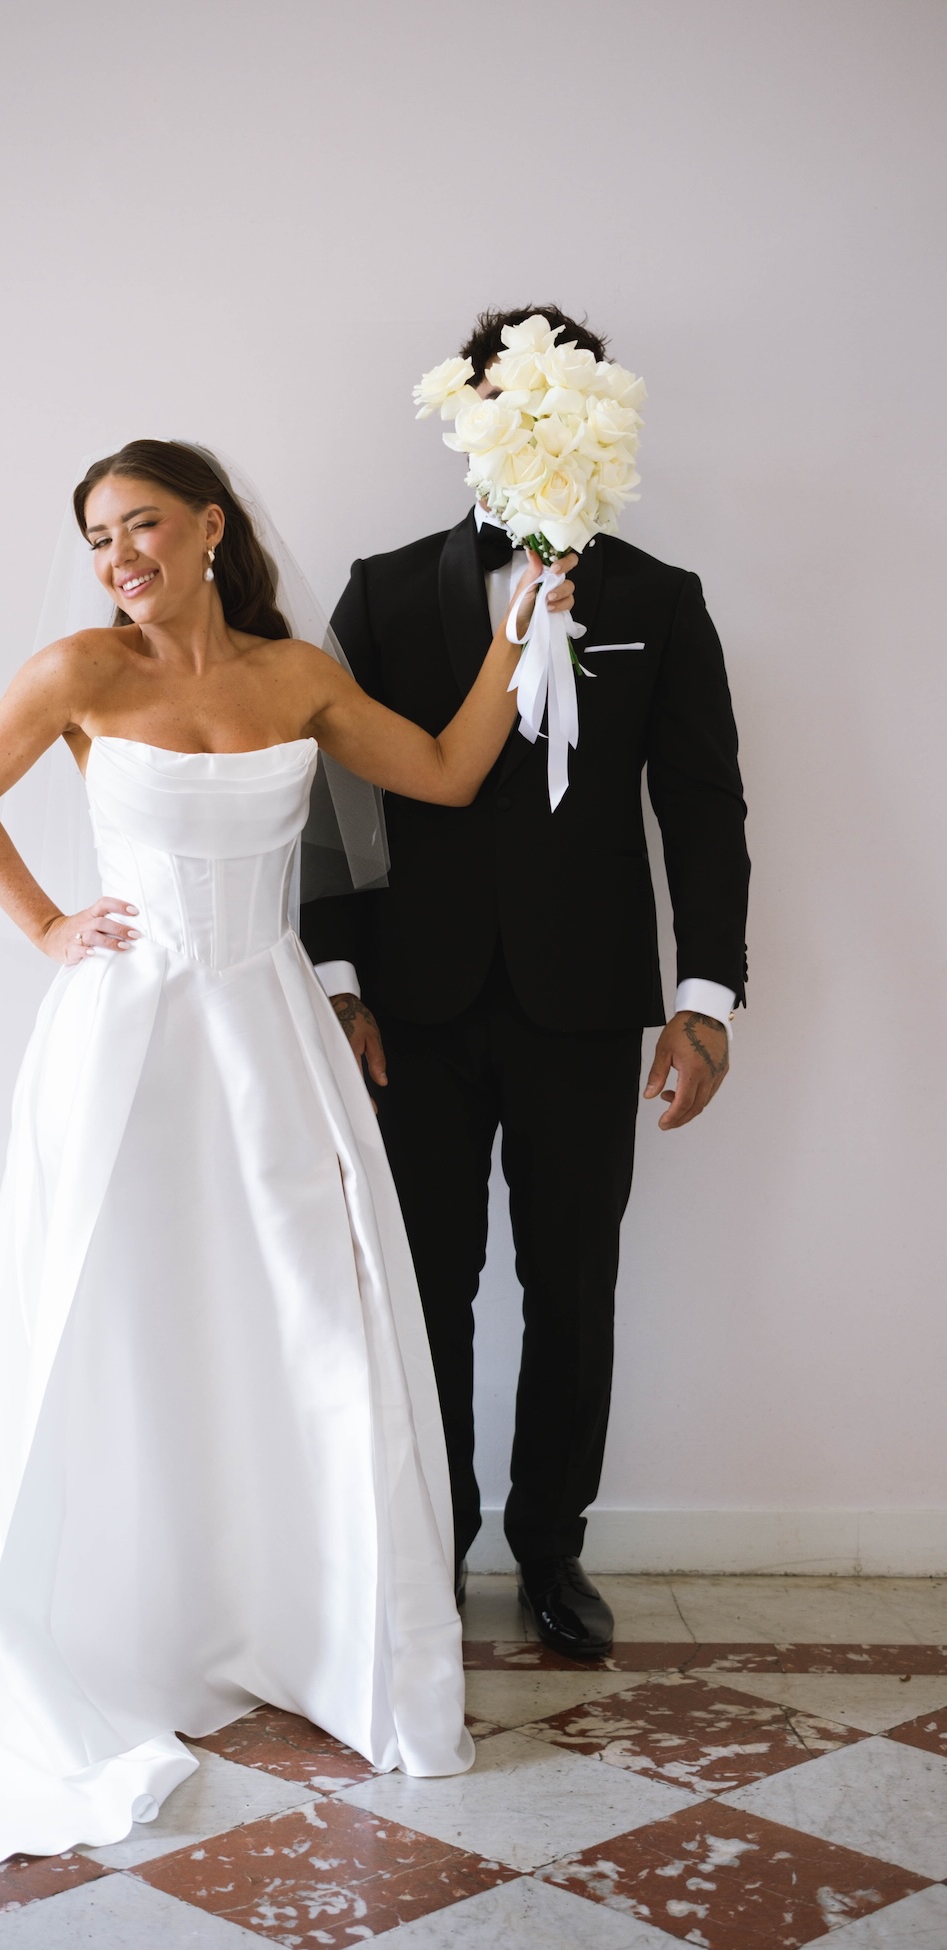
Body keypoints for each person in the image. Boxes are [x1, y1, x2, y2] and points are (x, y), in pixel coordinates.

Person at [0, 439, 579, 1886]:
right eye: (96, 536)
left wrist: (517, 632)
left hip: (269, 1031)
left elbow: (451, 774)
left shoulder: (296, 677)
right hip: (125, 1039)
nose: (117, 555)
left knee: (304, 1317)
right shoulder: (80, 670)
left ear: (210, 526)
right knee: (110, 1311)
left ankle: (305, 1623)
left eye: (141, 524)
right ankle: (116, 1614)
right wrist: (45, 926)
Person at [301, 308, 750, 1660]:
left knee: (573, 1282)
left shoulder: (660, 598)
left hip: (585, 1000)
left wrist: (707, 999)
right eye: (509, 403)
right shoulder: (383, 591)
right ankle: (428, 1547)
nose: (533, 426)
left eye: (556, 406)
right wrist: (337, 977)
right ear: (472, 419)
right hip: (412, 1005)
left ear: (594, 422)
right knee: (427, 1284)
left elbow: (703, 807)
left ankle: (552, 1548)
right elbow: (331, 801)